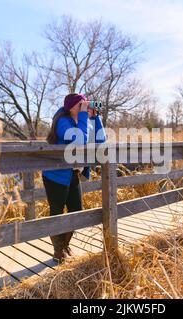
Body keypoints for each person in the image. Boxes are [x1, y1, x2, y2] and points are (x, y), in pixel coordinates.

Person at [43, 93, 106, 263]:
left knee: (76, 210)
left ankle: (65, 245)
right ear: (71, 107)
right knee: (57, 212)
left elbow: (101, 140)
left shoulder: (83, 122)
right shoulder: (63, 122)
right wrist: (85, 115)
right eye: (81, 105)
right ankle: (58, 251)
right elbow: (80, 141)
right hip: (55, 174)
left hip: (72, 173)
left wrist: (95, 117)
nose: (84, 107)